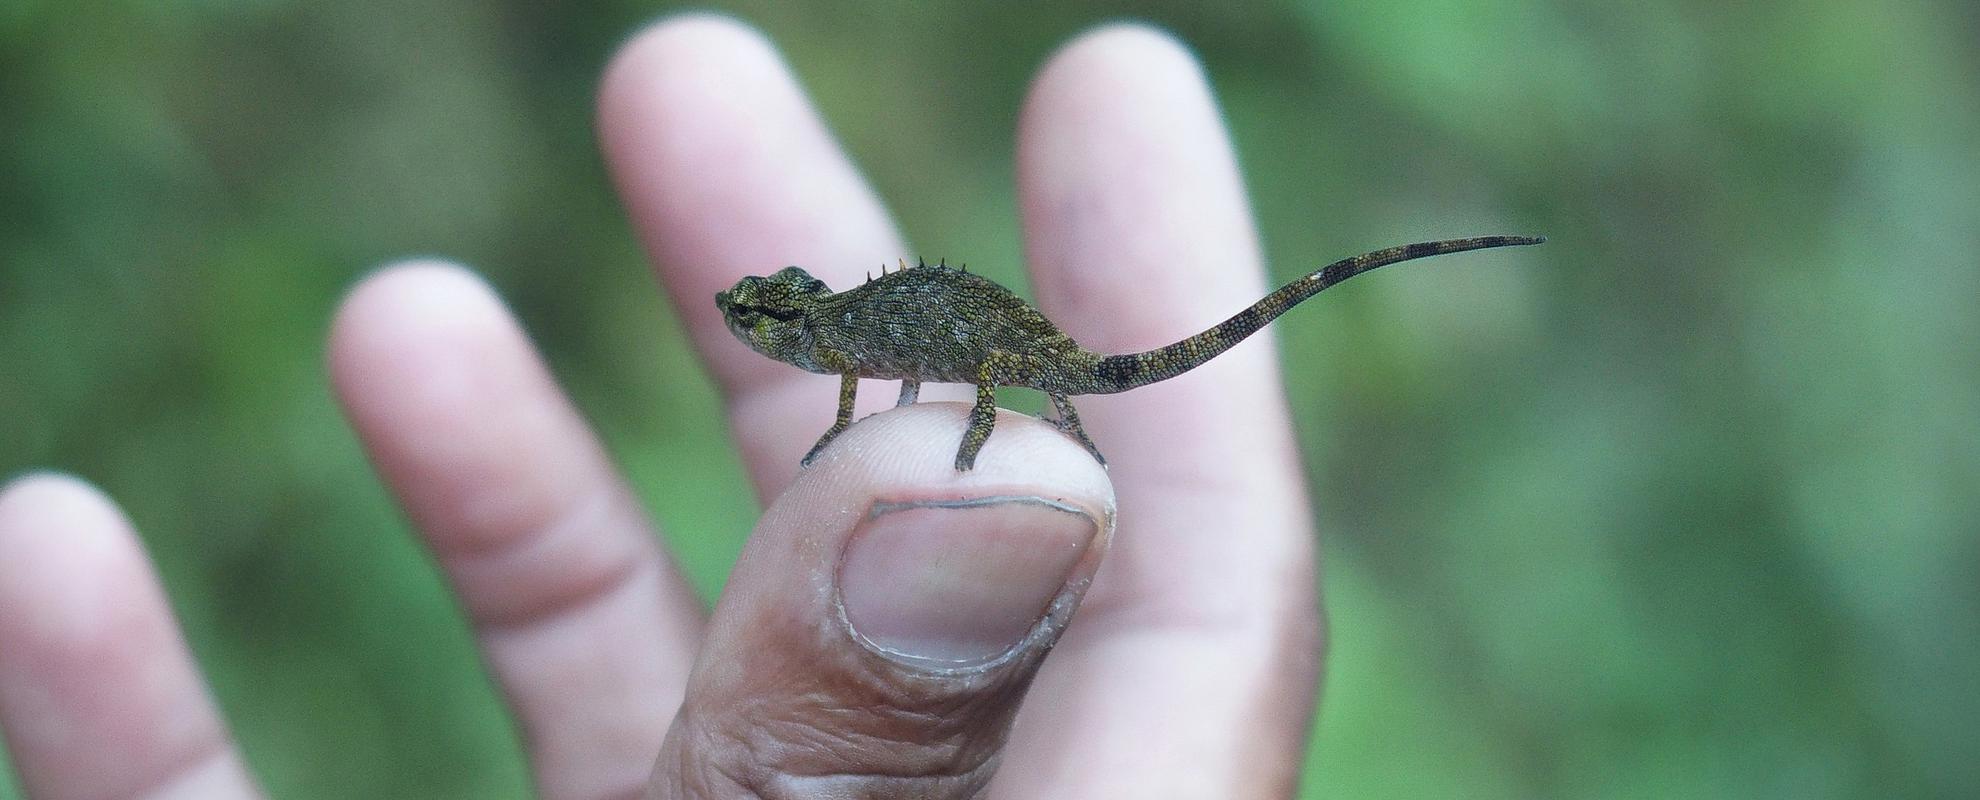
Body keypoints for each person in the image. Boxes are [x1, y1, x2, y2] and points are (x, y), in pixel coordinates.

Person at [0, 16, 1321, 799]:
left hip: (989, 346)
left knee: (1046, 389)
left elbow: (928, 363)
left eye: (766, 321)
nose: (757, 331)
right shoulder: (845, 347)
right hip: (949, 344)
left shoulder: (855, 341)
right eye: (763, 321)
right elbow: (865, 380)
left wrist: (986, 435)